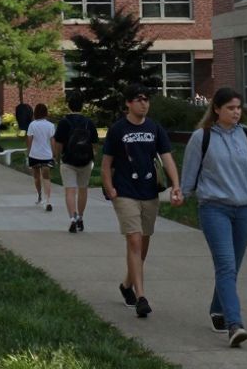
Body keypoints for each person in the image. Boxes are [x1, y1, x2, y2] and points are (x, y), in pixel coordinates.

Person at [180, 87, 247, 348]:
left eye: (239, 108)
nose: (236, 112)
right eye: (230, 108)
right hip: (214, 208)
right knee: (227, 265)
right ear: (217, 109)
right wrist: (182, 194)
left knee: (233, 267)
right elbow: (190, 172)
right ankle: (235, 324)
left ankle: (217, 309)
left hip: (244, 209)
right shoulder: (202, 137)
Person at [102, 83, 183, 319]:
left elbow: (166, 158)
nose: (144, 103)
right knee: (135, 242)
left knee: (143, 245)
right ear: (128, 103)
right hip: (125, 192)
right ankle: (141, 297)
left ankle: (127, 285)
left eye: (147, 99)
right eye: (138, 99)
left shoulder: (155, 128)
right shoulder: (118, 130)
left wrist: (175, 184)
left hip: (149, 192)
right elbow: (106, 163)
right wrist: (110, 188)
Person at [53, 93, 99, 232]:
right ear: (82, 106)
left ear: (69, 106)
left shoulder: (64, 122)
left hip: (68, 161)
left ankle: (72, 217)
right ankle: (80, 217)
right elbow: (95, 143)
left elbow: (58, 143)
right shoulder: (88, 122)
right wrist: (92, 155)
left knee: (70, 190)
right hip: (85, 161)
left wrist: (57, 157)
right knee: (83, 189)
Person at [25, 103, 55, 210]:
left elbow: (29, 140)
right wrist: (54, 153)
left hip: (35, 154)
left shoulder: (32, 125)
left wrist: (28, 152)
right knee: (46, 177)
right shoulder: (51, 126)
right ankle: (48, 200)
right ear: (46, 113)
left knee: (37, 177)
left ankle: (39, 195)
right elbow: (52, 141)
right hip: (47, 155)